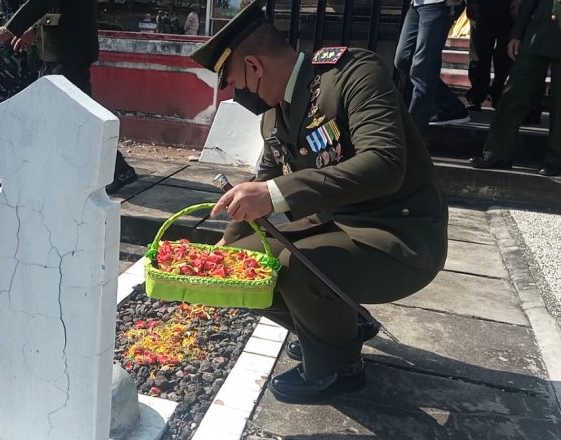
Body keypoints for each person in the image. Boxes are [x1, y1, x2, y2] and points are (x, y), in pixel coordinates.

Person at [190, 0, 448, 403]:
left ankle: (338, 368)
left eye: (238, 82)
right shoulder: (274, 118)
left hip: (400, 234)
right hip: (340, 230)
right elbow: (265, 179)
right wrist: (226, 243)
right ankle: (341, 328)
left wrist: (275, 195)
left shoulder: (353, 74)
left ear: (255, 67)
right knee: (237, 267)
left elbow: (384, 163)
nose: (241, 94)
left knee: (293, 265)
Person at [0, 0, 138, 193]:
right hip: (59, 51)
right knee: (55, 118)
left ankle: (119, 170)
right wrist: (32, 28)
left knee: (79, 120)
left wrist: (11, 28)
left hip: (69, 51)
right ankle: (52, 171)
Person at [470, 0, 561, 176]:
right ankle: (497, 154)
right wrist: (517, 33)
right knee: (514, 92)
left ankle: (556, 158)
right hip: (538, 30)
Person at [0, 0, 42, 169]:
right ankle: (2, 153)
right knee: (5, 100)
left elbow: (37, 7)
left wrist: (31, 30)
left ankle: (20, 155)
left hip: (25, 43)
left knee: (25, 102)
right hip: (10, 43)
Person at [395, 0, 470, 132]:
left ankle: (412, 133)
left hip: (439, 4)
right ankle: (453, 107)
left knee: (422, 69)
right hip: (417, 4)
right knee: (403, 59)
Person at [465, 0, 513, 111]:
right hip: (482, 6)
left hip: (508, 8)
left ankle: (498, 92)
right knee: (479, 52)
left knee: (504, 54)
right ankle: (477, 95)